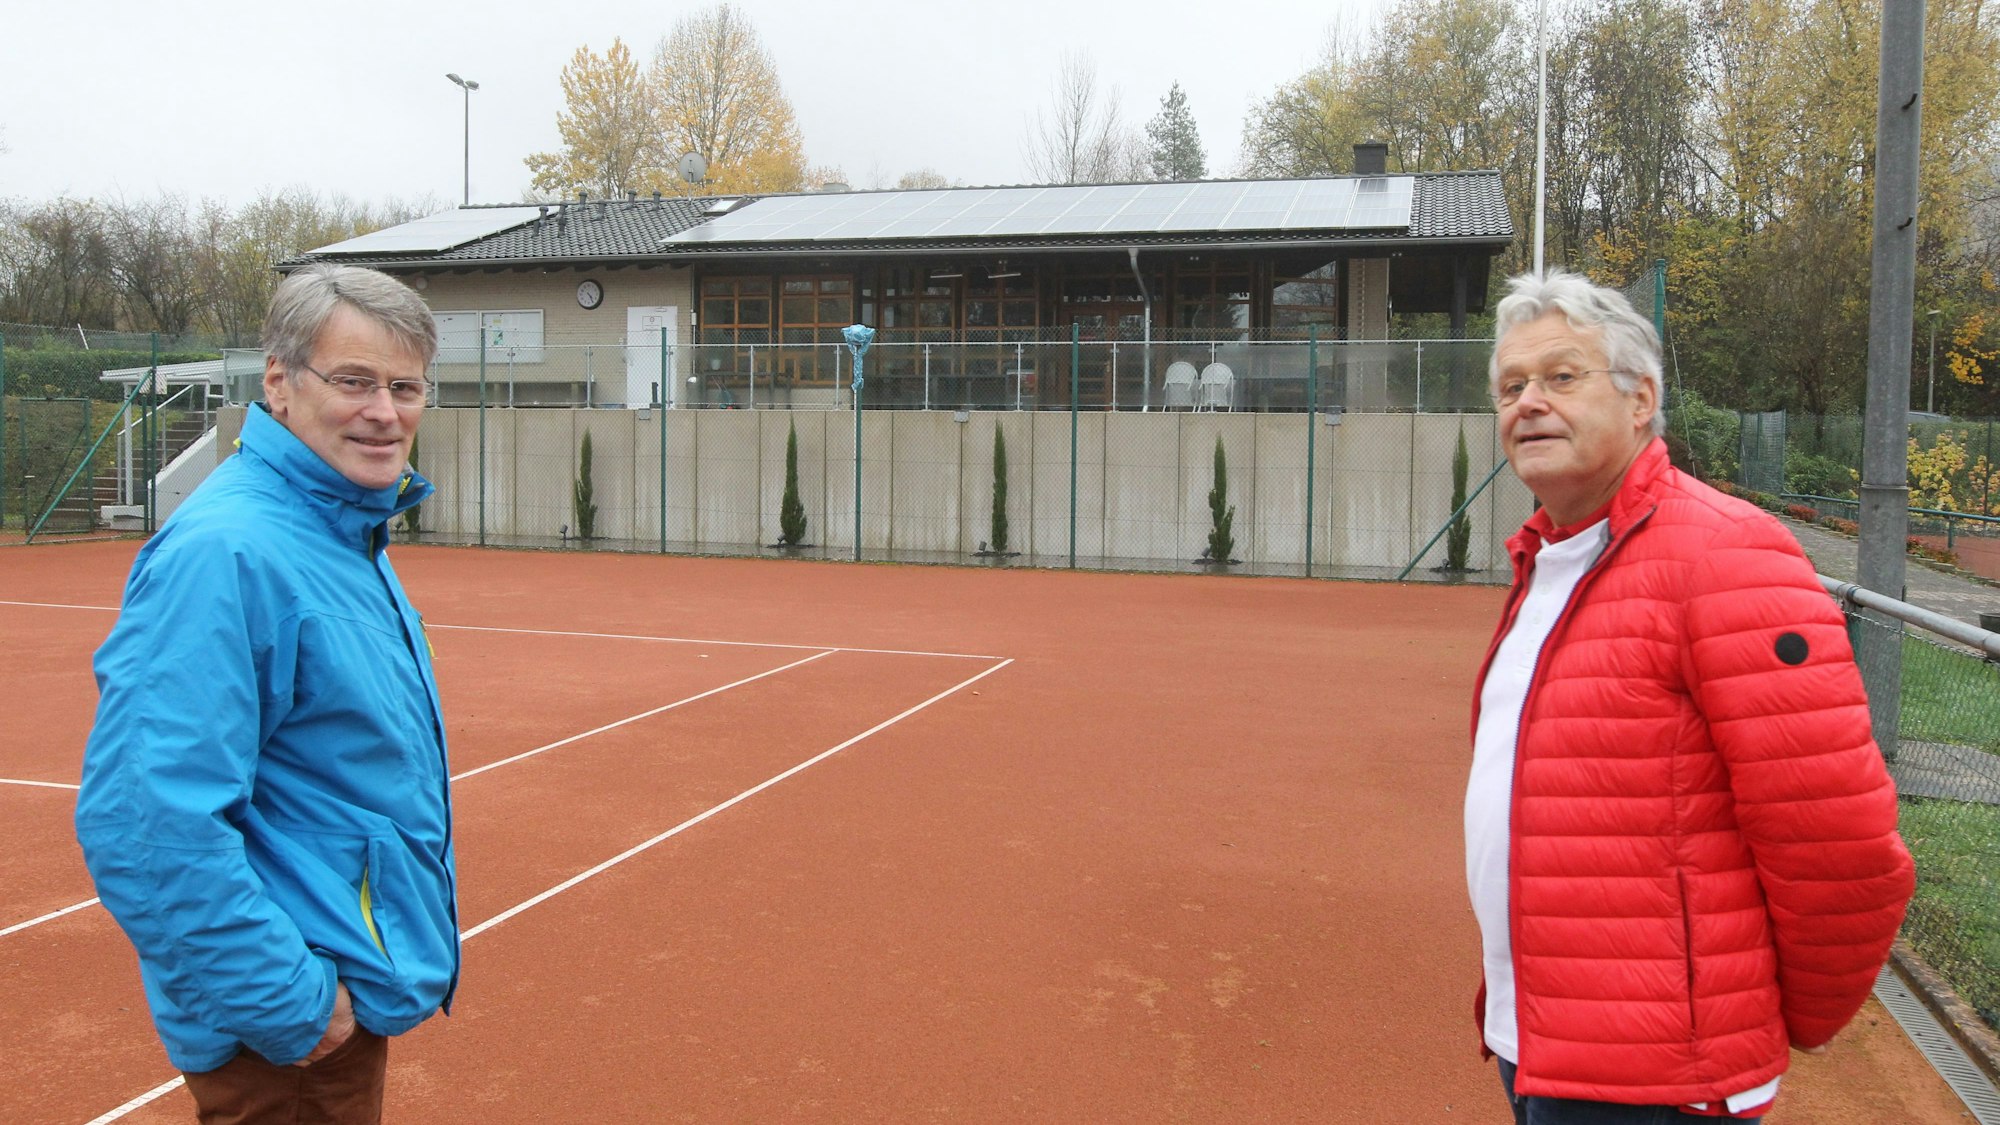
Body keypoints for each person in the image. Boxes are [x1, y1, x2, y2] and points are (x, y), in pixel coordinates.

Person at [1464, 269, 1914, 1123]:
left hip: (1659, 1073)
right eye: (1510, 386)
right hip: (1545, 1038)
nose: (1528, 402)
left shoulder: (1726, 555)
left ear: (1642, 400)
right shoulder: (1552, 560)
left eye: (1562, 377)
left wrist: (1742, 1027)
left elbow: (1840, 839)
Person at [76, 263, 457, 1124]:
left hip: (332, 979)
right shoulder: (231, 553)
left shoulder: (340, 528)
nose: (384, 411)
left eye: (405, 386)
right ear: (279, 384)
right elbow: (143, 819)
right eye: (354, 381)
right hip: (286, 1029)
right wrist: (293, 1005)